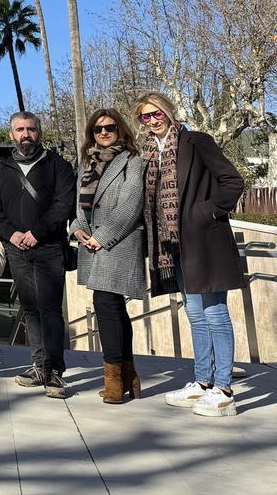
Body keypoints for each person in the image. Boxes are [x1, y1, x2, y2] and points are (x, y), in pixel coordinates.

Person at [137, 92, 245, 418]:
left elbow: (232, 181)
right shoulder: (148, 154)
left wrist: (204, 213)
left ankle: (223, 389)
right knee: (195, 314)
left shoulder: (196, 141)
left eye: (157, 114)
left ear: (169, 112)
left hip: (203, 241)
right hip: (173, 245)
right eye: (145, 117)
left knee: (215, 313)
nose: (153, 121)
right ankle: (202, 382)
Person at [0, 111, 76, 399]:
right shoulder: (3, 168)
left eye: (30, 129)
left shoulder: (58, 166)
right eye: (19, 129)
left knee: (50, 310)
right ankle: (39, 365)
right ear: (11, 134)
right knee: (30, 309)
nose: (25, 134)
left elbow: (64, 205)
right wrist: (12, 234)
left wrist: (36, 232)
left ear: (39, 132)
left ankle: (55, 372)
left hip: (49, 247)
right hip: (17, 249)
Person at [70, 108, 145, 404]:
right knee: (112, 305)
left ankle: (113, 379)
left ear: (120, 130)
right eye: (98, 129)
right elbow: (80, 203)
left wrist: (102, 236)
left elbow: (131, 203)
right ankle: (129, 374)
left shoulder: (131, 161)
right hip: (91, 241)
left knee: (105, 303)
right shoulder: (87, 163)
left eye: (110, 128)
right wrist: (77, 228)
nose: (103, 133)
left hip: (118, 241)